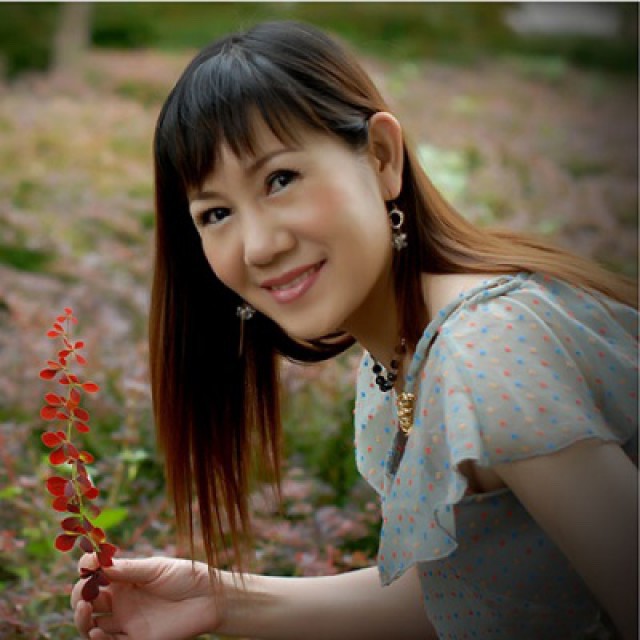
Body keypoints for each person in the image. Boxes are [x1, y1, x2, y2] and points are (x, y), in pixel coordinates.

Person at [72, 20, 638, 640]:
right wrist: (222, 601)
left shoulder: (486, 349)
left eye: (280, 180)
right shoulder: (400, 357)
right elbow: (474, 592)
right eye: (216, 213)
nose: (258, 246)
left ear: (382, 158)